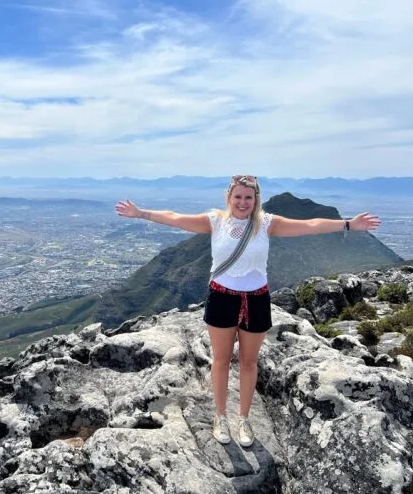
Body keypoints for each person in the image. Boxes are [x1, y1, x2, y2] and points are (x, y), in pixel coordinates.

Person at [115, 175, 381, 447]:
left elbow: (310, 225)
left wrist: (349, 224)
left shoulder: (266, 224)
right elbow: (174, 217)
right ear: (229, 198)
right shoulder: (215, 221)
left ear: (256, 200)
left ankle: (243, 419)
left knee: (249, 363)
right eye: (238, 197)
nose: (243, 203)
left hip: (256, 300)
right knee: (220, 361)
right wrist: (140, 213)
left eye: (248, 197)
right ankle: (220, 417)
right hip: (221, 297)